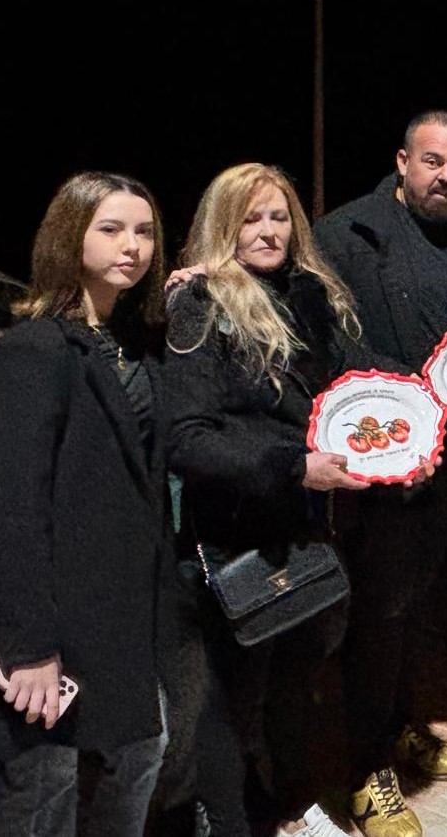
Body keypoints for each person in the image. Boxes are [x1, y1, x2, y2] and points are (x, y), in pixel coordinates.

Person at [166, 163, 381, 837]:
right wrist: (295, 467)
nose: (267, 230)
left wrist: (413, 431)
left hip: (304, 529)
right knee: (234, 697)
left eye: (279, 215)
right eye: (250, 218)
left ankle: (290, 802)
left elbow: (362, 386)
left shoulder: (312, 293)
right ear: (223, 227)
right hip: (235, 535)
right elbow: (187, 439)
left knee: (296, 677)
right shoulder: (200, 303)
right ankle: (227, 817)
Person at [0, 172, 172, 835]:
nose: (132, 246)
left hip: (115, 607)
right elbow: (15, 509)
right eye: (110, 228)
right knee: (44, 783)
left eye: (144, 231)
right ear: (69, 235)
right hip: (47, 611)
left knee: (142, 749)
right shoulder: (33, 348)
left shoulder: (133, 342)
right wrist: (31, 647)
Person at [314, 110, 447, 818]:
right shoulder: (345, 232)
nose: (444, 176)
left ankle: (396, 727)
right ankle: (367, 770)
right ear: (401, 160)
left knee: (416, 608)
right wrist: (413, 412)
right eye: (431, 161)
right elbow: (333, 344)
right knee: (377, 612)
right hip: (382, 459)